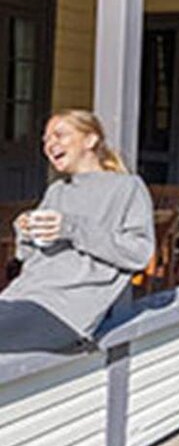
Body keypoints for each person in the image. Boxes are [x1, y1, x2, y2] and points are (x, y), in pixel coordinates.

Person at [0, 109, 154, 354]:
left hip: (64, 312)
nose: (50, 145)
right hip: (20, 297)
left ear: (90, 140)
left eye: (59, 135)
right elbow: (29, 258)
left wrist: (72, 229)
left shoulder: (126, 188)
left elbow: (139, 254)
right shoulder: (57, 191)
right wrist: (25, 232)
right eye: (46, 140)